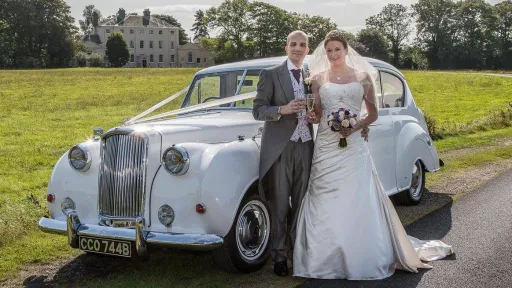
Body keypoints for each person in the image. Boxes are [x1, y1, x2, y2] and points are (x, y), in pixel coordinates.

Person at [293, 30, 453, 280]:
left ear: (346, 51)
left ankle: (360, 252)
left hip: (354, 143)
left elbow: (373, 113)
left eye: (338, 49)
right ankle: (323, 257)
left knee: (357, 193)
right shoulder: (318, 79)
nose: (333, 54)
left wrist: (354, 127)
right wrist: (312, 117)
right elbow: (319, 113)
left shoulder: (363, 76)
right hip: (326, 143)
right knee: (323, 194)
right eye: (329, 50)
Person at [252, 30, 370, 277]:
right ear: (286, 48)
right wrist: (281, 109)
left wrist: (351, 123)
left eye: (302, 45)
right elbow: (258, 110)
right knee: (280, 205)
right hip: (282, 149)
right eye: (293, 44)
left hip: (307, 147)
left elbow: (320, 113)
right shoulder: (271, 74)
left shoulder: (313, 77)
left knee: (304, 203)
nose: (297, 48)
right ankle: (280, 257)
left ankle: (300, 252)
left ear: (307, 50)